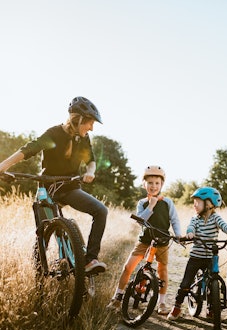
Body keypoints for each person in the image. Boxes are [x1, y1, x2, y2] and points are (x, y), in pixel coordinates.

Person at [0, 96, 108, 274]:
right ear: (77, 119)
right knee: (43, 232)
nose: (91, 127)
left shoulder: (84, 138)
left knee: (101, 210)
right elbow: (29, 149)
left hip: (70, 188)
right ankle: (44, 271)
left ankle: (89, 260)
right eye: (89, 123)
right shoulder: (54, 134)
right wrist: (3, 166)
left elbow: (91, 160)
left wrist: (90, 172)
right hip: (48, 188)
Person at [107, 165, 181, 315]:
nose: (154, 186)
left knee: (162, 271)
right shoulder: (142, 203)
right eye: (150, 183)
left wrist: (178, 234)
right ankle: (117, 297)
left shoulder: (168, 202)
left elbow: (174, 220)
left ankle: (161, 303)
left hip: (162, 242)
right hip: (145, 241)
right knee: (128, 267)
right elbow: (141, 220)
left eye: (157, 183)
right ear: (144, 184)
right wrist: (151, 205)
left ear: (161, 185)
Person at [167, 187, 227, 321]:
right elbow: (191, 227)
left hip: (211, 258)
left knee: (213, 283)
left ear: (209, 204)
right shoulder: (195, 219)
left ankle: (211, 308)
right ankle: (177, 306)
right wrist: (190, 233)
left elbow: (224, 226)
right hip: (195, 257)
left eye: (198, 202)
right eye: (194, 202)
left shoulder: (215, 218)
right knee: (185, 284)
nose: (194, 205)